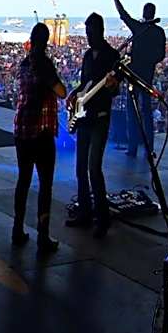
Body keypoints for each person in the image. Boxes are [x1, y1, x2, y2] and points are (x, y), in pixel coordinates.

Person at [13, 23, 66, 254]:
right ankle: (43, 237)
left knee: (23, 181)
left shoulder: (24, 64)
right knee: (45, 184)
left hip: (22, 129)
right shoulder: (43, 64)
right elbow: (61, 91)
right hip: (41, 131)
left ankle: (17, 229)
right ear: (46, 41)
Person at [67, 13, 119, 238]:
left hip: (100, 117)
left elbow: (115, 90)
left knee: (93, 168)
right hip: (84, 116)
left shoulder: (112, 56)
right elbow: (84, 84)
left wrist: (111, 85)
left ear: (100, 31)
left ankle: (103, 218)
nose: (88, 36)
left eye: (91, 32)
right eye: (86, 32)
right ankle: (85, 213)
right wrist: (73, 95)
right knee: (80, 168)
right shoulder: (88, 55)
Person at [111, 0, 166, 158]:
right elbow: (161, 55)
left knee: (132, 112)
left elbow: (122, 14)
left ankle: (133, 147)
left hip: (134, 76)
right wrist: (149, 61)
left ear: (144, 13)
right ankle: (149, 148)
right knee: (146, 112)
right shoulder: (159, 32)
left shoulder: (139, 28)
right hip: (147, 76)